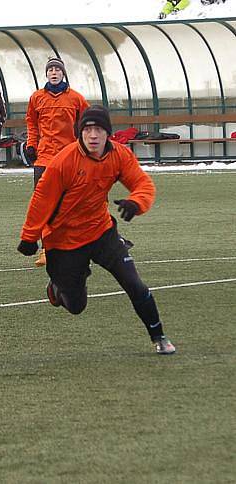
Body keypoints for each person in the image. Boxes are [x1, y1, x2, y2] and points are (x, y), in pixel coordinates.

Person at [17, 106, 176, 356]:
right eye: (88, 130)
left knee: (134, 284)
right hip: (64, 240)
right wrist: (29, 237)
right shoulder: (64, 161)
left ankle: (159, 337)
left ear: (108, 134)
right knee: (76, 306)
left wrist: (137, 201)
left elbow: (142, 183)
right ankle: (57, 288)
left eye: (99, 130)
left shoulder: (119, 155)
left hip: (101, 231)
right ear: (80, 133)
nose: (93, 135)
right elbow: (41, 199)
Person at [25, 57, 89, 266]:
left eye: (57, 70)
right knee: (44, 206)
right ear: (46, 74)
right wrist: (31, 145)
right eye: (50, 70)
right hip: (44, 159)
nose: (54, 73)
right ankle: (46, 250)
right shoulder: (36, 98)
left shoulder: (76, 99)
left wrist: (85, 147)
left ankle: (77, 246)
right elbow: (32, 124)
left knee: (73, 205)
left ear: (63, 73)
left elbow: (87, 124)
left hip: (69, 158)